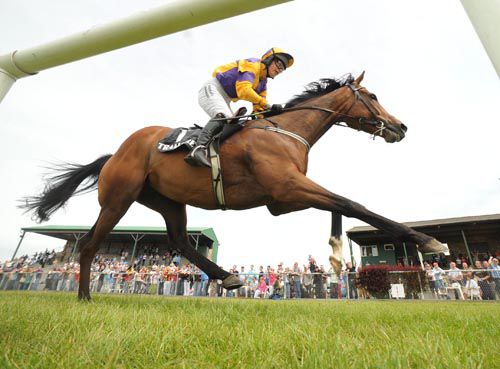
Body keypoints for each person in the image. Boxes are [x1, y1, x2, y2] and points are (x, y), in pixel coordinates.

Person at [184, 47, 294, 168]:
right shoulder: (252, 64)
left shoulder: (263, 85)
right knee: (224, 117)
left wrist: (272, 114)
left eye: (282, 68)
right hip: (212, 88)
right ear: (268, 59)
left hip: (225, 98)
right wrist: (268, 105)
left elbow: (259, 110)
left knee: (233, 124)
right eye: (278, 64)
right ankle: (198, 149)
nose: (279, 70)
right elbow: (244, 90)